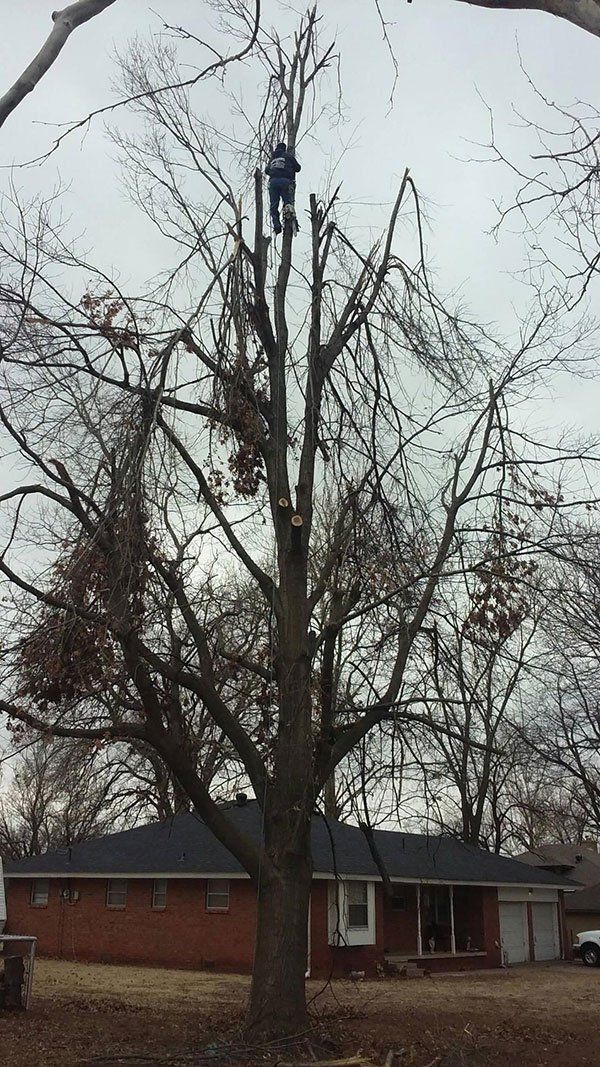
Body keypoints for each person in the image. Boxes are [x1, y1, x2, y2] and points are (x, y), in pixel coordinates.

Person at [265, 141, 301, 234]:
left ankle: (277, 226)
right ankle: (291, 219)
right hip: (285, 181)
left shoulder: (272, 158)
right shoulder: (288, 156)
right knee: (287, 202)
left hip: (273, 182)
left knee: (274, 206)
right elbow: (298, 168)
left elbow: (267, 170)